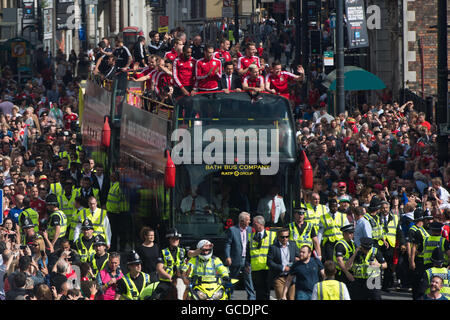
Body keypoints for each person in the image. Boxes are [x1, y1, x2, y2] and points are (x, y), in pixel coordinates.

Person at [224, 211, 255, 300]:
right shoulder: (232, 230)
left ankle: (251, 297)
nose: (249, 222)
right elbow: (228, 244)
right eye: (248, 220)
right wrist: (228, 256)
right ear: (242, 221)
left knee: (248, 279)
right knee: (233, 279)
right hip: (236, 259)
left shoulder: (250, 230)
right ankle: (230, 296)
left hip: (247, 259)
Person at [245, 215, 276, 300]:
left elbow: (275, 251)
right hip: (256, 268)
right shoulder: (251, 237)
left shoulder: (272, 235)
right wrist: (247, 264)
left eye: (254, 224)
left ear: (260, 224)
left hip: (267, 267)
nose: (253, 226)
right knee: (258, 291)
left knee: (266, 291)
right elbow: (248, 252)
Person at [378, 200, 405, 291]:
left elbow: (399, 232)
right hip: (379, 244)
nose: (385, 210)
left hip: (391, 245)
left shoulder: (395, 218)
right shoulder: (376, 218)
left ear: (389, 208)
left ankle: (385, 286)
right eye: (383, 208)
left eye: (386, 208)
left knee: (389, 266)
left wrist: (402, 243)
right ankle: (374, 287)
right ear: (380, 209)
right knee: (376, 265)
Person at [267, 228, 299, 300]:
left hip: (291, 277)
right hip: (279, 277)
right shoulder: (273, 247)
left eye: (286, 237)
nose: (285, 239)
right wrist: (282, 268)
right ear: (278, 237)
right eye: (282, 237)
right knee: (281, 298)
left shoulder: (293, 245)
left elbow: (298, 256)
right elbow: (269, 262)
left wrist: (297, 260)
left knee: (291, 298)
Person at [154, 228, 187, 298]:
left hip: (181, 282)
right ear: (169, 239)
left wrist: (200, 249)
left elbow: (192, 253)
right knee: (156, 296)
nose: (175, 240)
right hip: (167, 282)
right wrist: (169, 277)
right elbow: (159, 268)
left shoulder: (183, 251)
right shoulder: (163, 252)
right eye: (173, 239)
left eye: (177, 239)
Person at [408, 208, 431, 300]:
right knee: (417, 282)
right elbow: (411, 246)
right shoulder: (415, 230)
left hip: (426, 260)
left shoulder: (427, 230)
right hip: (418, 259)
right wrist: (411, 260)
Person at [106, 171, 130, 252]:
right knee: (114, 232)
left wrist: (118, 211)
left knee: (118, 232)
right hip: (113, 212)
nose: (110, 178)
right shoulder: (114, 185)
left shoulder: (119, 187)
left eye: (112, 176)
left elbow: (122, 200)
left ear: (116, 178)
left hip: (118, 213)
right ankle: (114, 248)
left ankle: (119, 248)